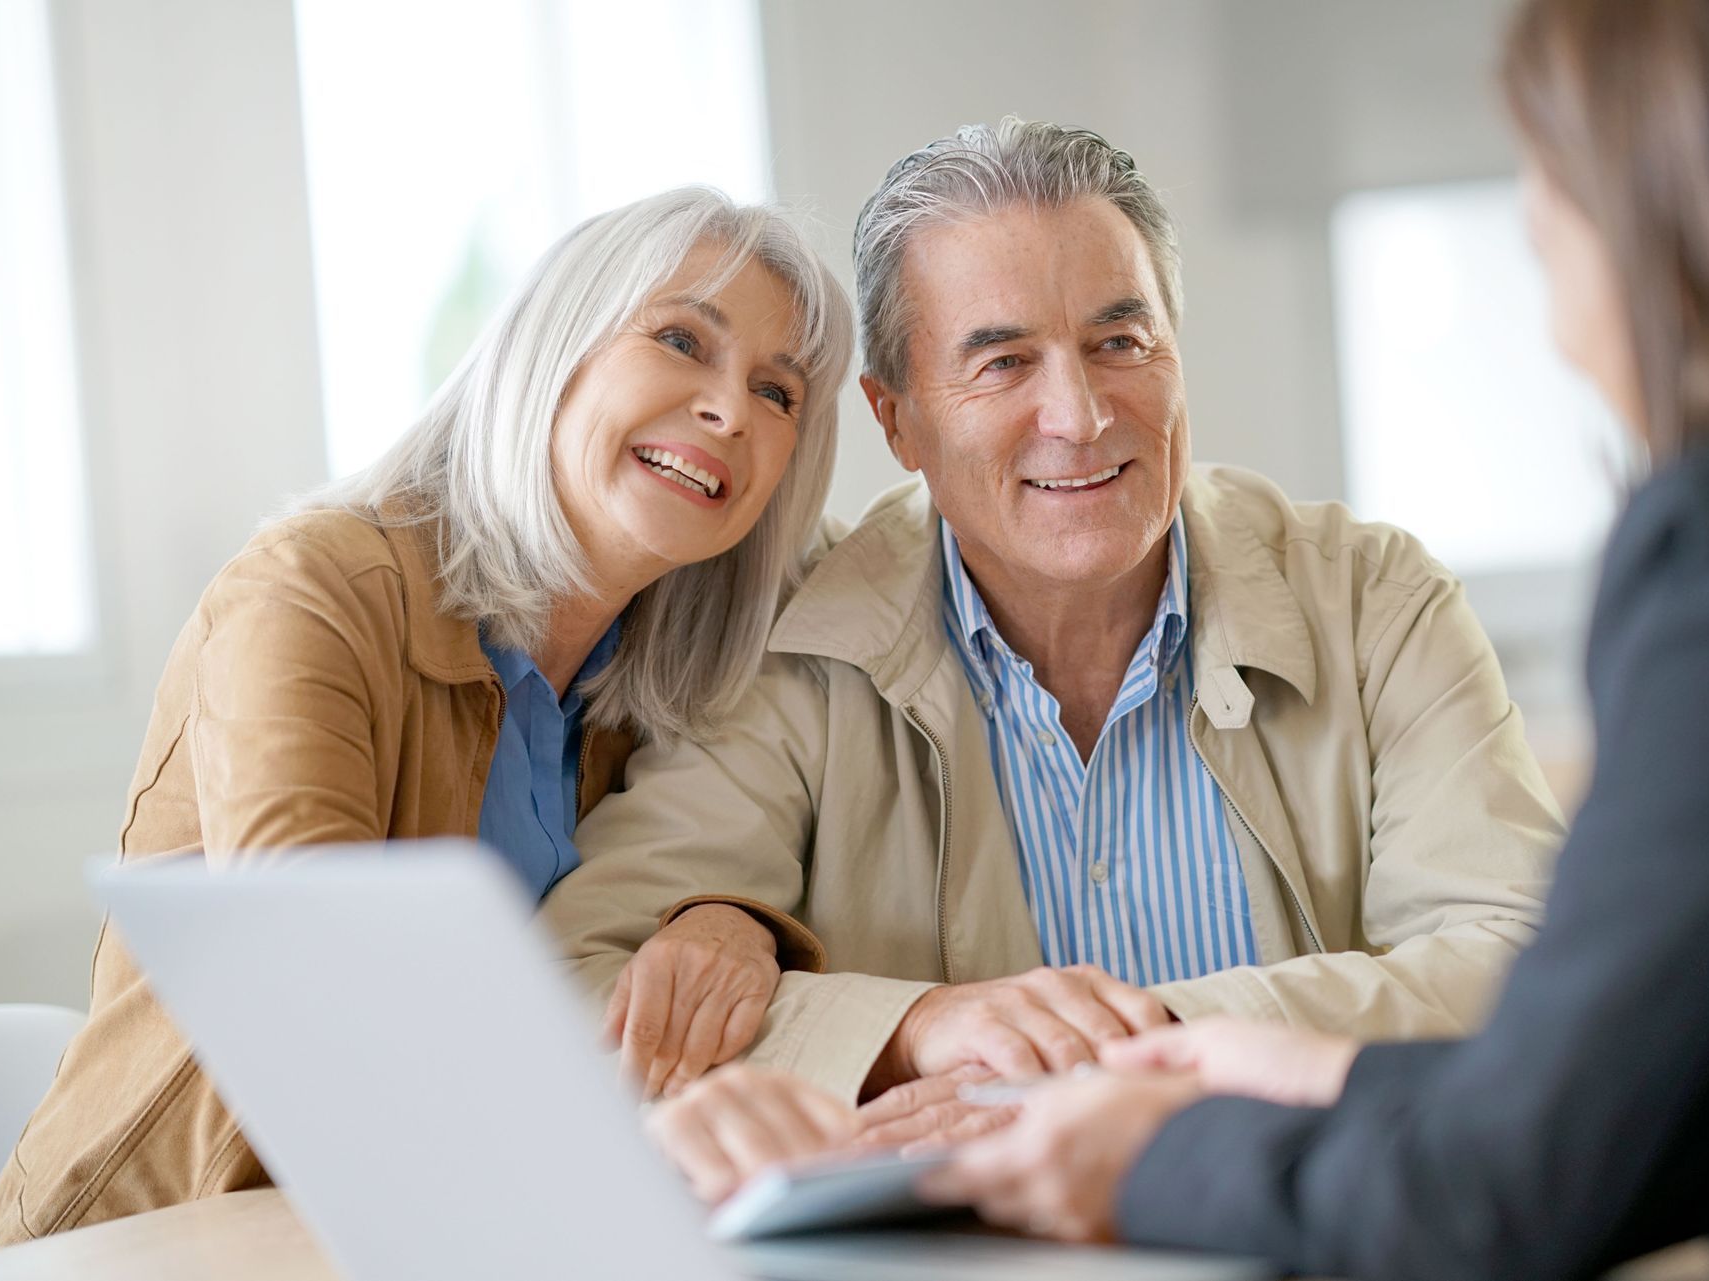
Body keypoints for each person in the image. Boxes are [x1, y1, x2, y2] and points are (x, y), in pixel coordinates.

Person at [922, 2, 1709, 1277]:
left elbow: (1521, 1186)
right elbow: (1663, 1091)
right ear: (895, 418)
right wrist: (1322, 1071)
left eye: (1546, 182)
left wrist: (1153, 1153)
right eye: (1004, 364)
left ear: (1670, 208)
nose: (1537, 249)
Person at [543, 118, 1567, 1115]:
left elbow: (1521, 956)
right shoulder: (796, 639)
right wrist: (913, 1032)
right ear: (896, 419)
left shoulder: (1376, 603)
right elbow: (581, 983)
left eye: (1119, 341)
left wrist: (1140, 1044)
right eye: (1003, 363)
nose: (1079, 416)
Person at [0, 188, 853, 1246]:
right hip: (174, 1235)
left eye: (779, 392)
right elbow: (315, 988)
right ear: (553, 349)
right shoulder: (314, 588)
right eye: (681, 339)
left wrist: (728, 917)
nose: (731, 411)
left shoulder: (658, 684)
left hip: (461, 1226)